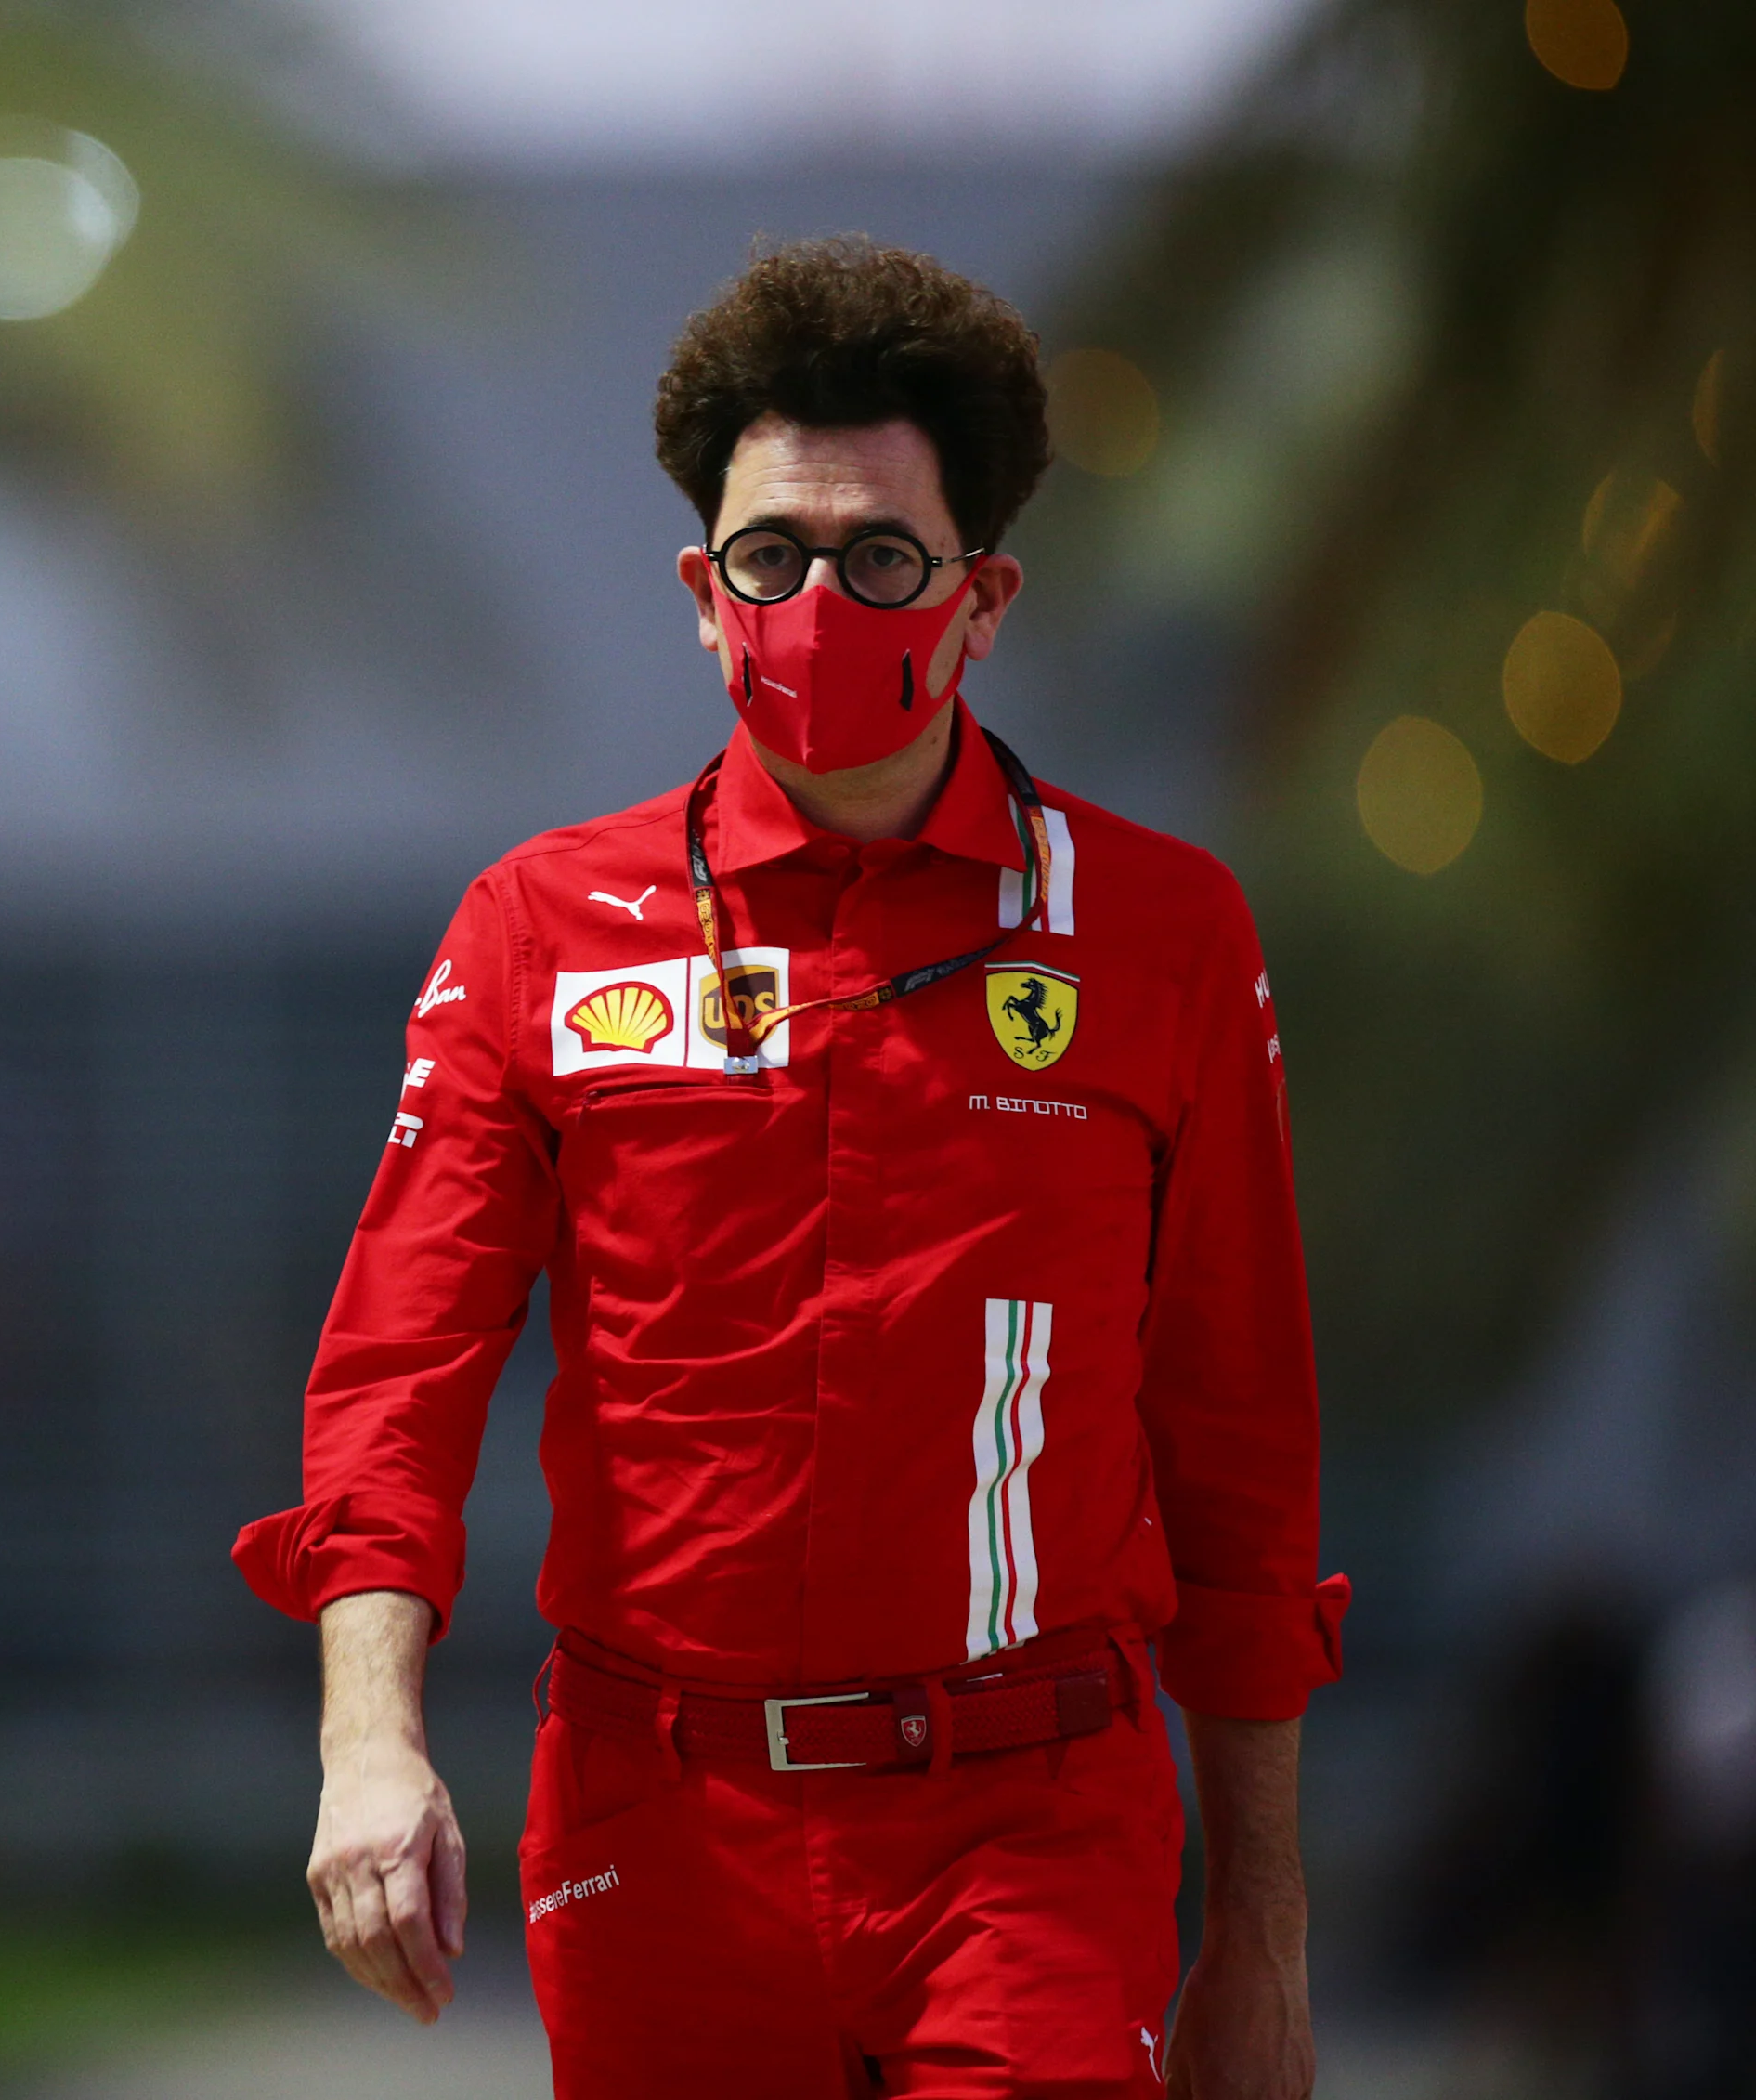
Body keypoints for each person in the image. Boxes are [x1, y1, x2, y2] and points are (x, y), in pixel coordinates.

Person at [232, 237, 1348, 2099]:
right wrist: (369, 1739)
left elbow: (1239, 1441)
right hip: (654, 1827)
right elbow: (397, 1370)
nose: (819, 601)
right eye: (771, 557)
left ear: (980, 597)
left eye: (880, 558)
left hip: (1030, 1826)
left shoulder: (1156, 935)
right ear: (700, 590)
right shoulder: (542, 930)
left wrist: (1263, 1926)